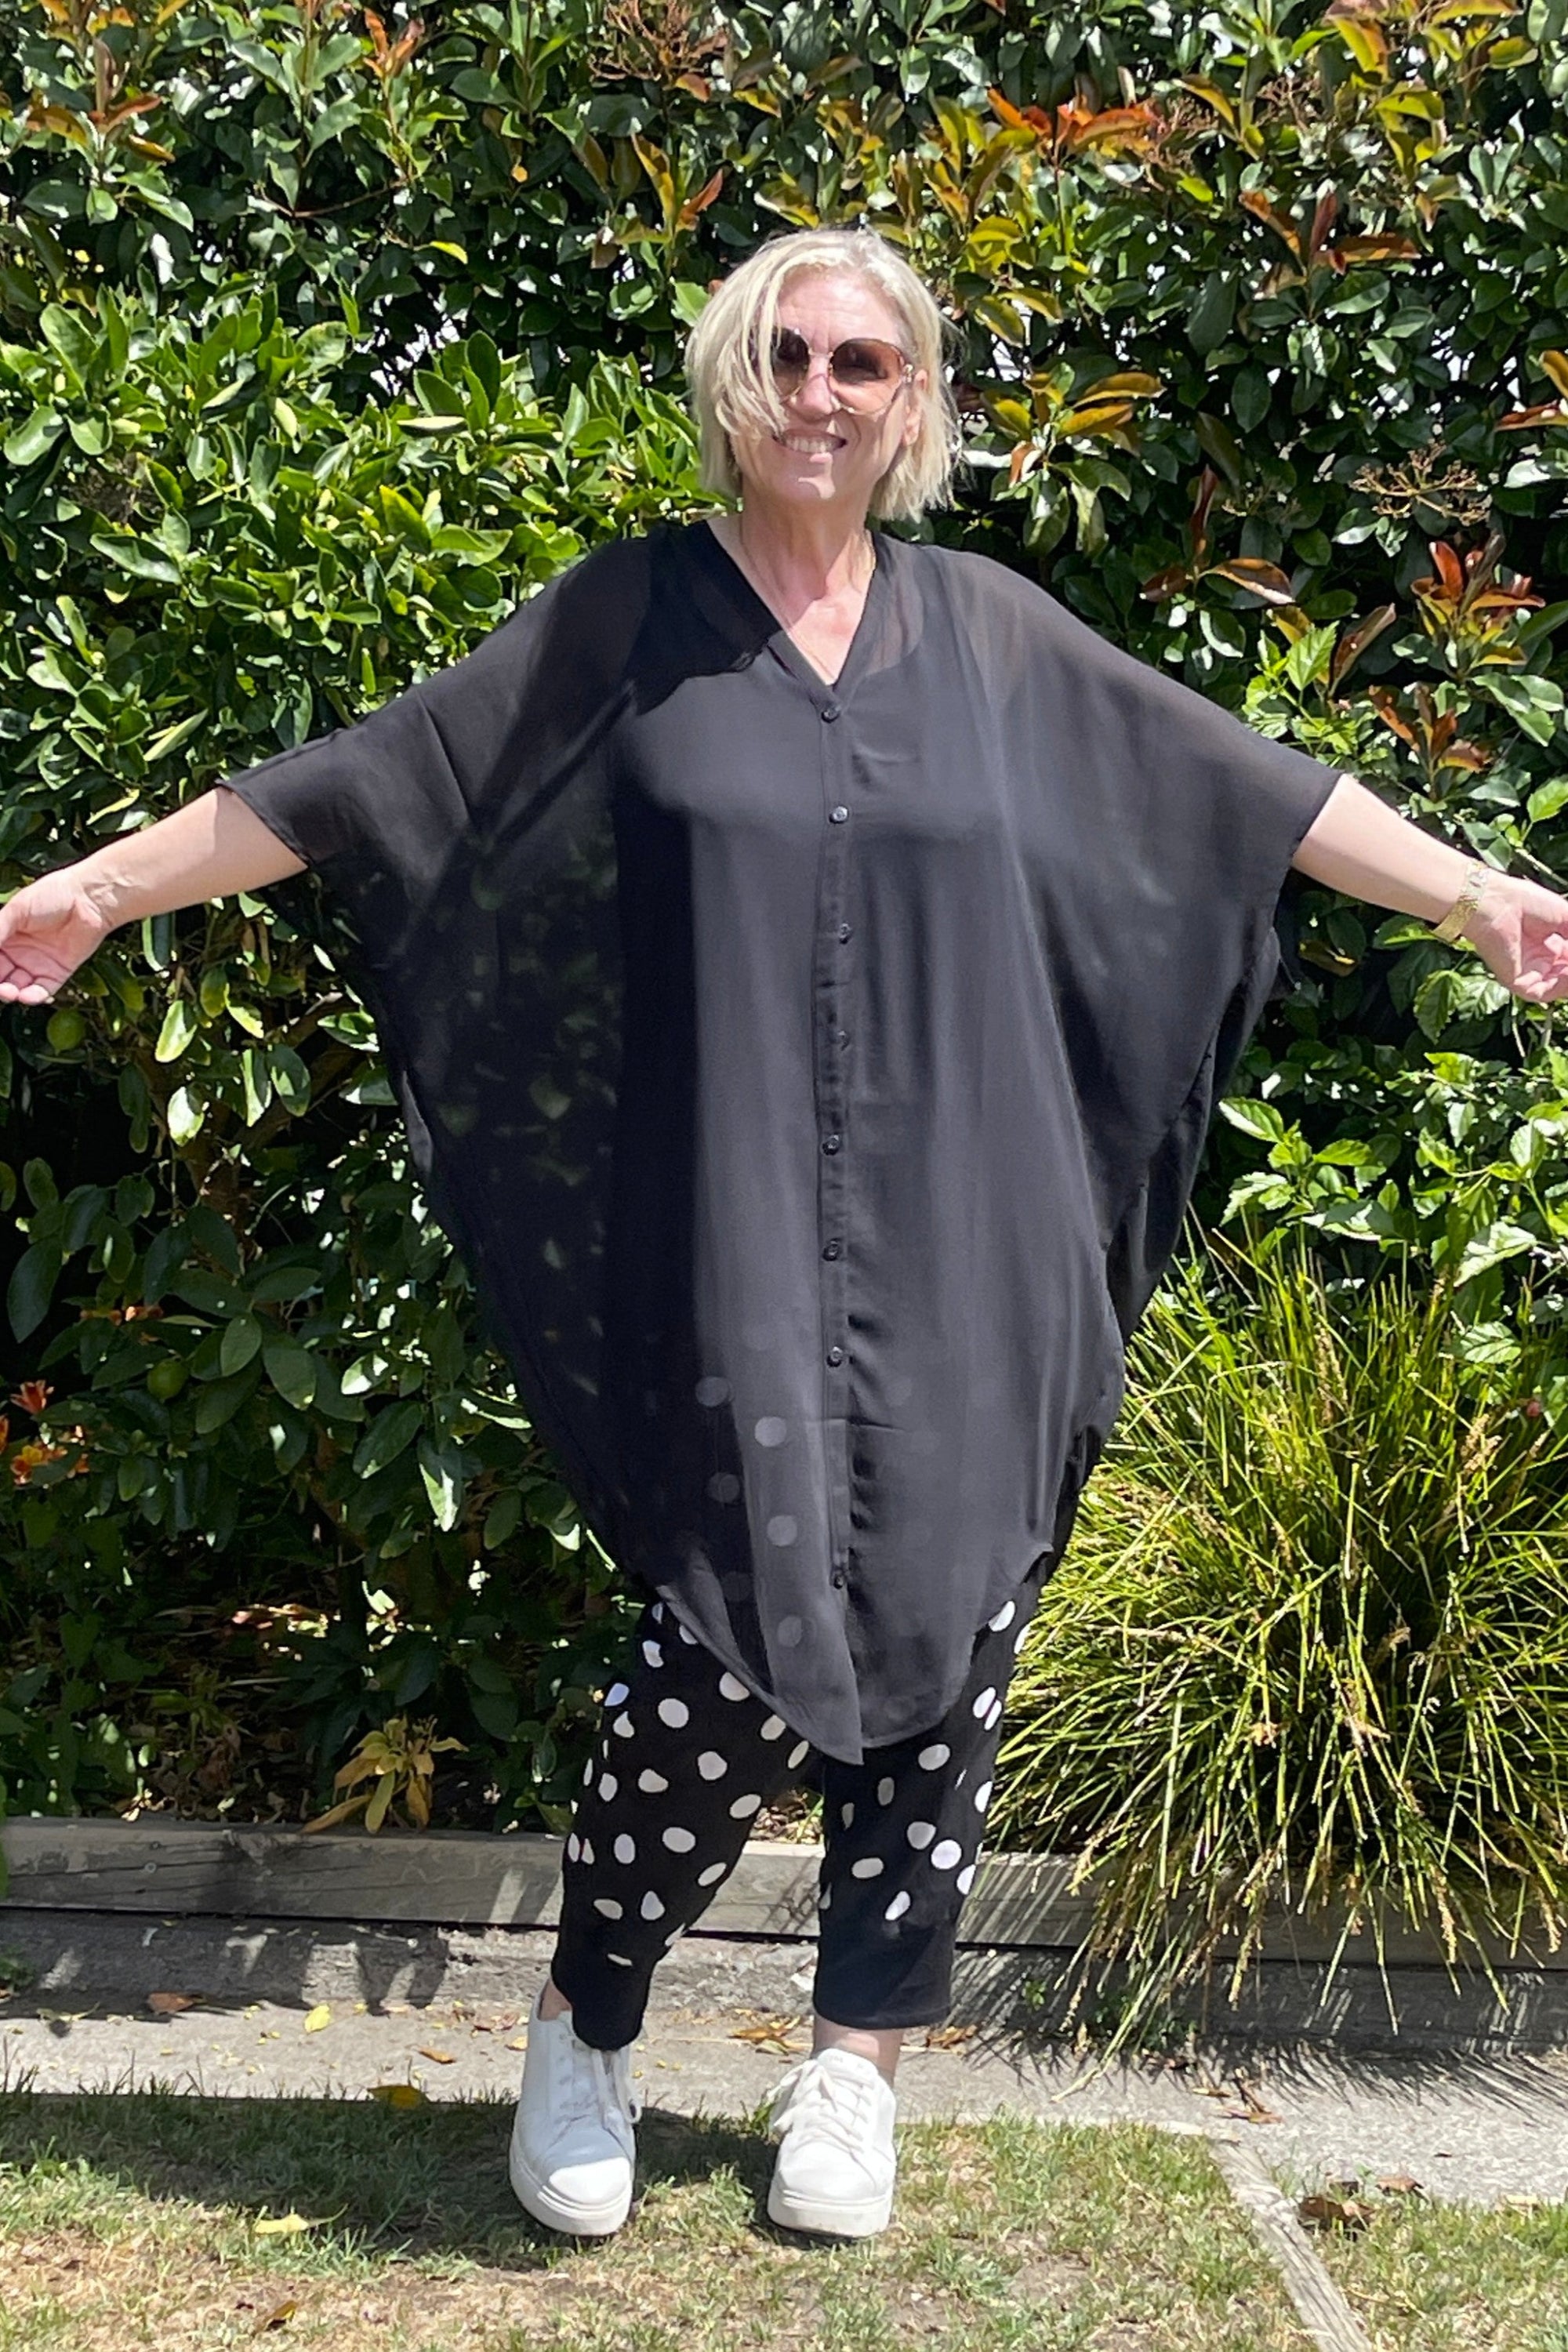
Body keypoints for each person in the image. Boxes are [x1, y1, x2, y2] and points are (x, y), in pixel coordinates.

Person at [5, 224, 1567, 2244]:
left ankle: (855, 2071)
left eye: (864, 362)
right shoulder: (626, 622)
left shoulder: (992, 636)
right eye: (790, 354)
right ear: (733, 383)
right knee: (726, 1642)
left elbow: (1247, 792)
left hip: (969, 1226)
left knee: (954, 1633)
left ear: (911, 404)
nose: (824, 392)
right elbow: (370, 783)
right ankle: (587, 2023)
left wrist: (1472, 895)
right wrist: (100, 891)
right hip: (732, 1216)